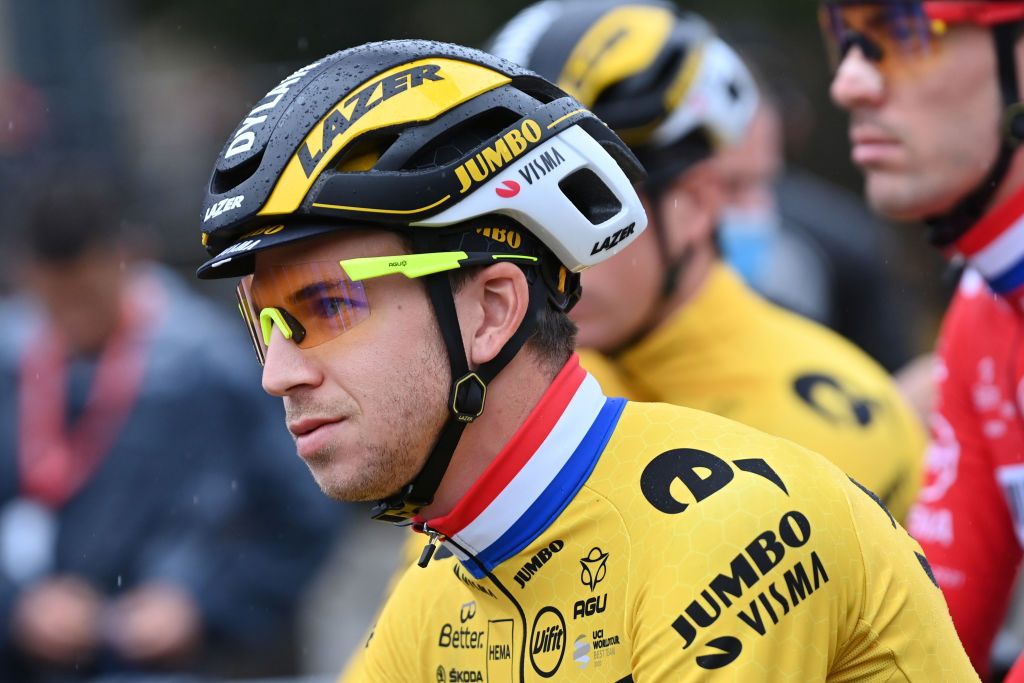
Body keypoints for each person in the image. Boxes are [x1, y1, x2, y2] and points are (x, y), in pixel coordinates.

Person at [196, 37, 975, 680]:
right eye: (264, 322)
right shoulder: (442, 587)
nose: (278, 372)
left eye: (328, 306)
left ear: (493, 309)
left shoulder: (732, 528)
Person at [483, 0, 925, 522]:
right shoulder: (515, 385)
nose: (538, 261)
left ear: (692, 205)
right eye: (513, 222)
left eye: (578, 211)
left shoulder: (810, 434)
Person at [0, 176, 340, 681]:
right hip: (29, 646)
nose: (70, 320)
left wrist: (200, 604)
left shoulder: (207, 367)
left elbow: (302, 514)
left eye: (86, 297)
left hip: (169, 658)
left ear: (129, 260)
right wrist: (17, 603)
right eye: (53, 301)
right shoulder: (13, 357)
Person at [823, 1, 1024, 679]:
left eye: (903, 31)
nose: (849, 82)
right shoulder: (984, 309)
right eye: (844, 35)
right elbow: (923, 648)